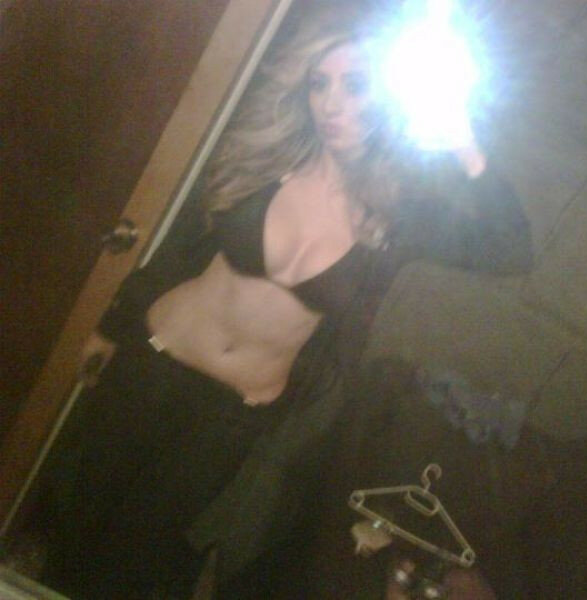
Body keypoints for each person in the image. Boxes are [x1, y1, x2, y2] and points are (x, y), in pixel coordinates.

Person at [39, 9, 533, 600]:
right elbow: (182, 249)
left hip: (232, 413)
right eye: (319, 83)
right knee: (75, 513)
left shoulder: (400, 220)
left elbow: (510, 250)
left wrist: (463, 142)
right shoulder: (267, 162)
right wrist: (113, 323)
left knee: (137, 552)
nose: (331, 103)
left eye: (354, 85)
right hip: (154, 358)